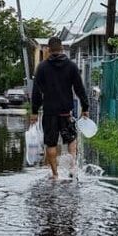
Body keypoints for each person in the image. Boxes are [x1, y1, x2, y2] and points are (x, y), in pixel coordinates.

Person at [30, 37, 89, 179]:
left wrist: (34, 111)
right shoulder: (72, 66)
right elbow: (79, 88)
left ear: (48, 50)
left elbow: (36, 92)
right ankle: (73, 167)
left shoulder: (42, 67)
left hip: (49, 112)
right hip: (66, 112)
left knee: (50, 143)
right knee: (71, 139)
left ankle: (55, 175)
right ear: (62, 48)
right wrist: (85, 107)